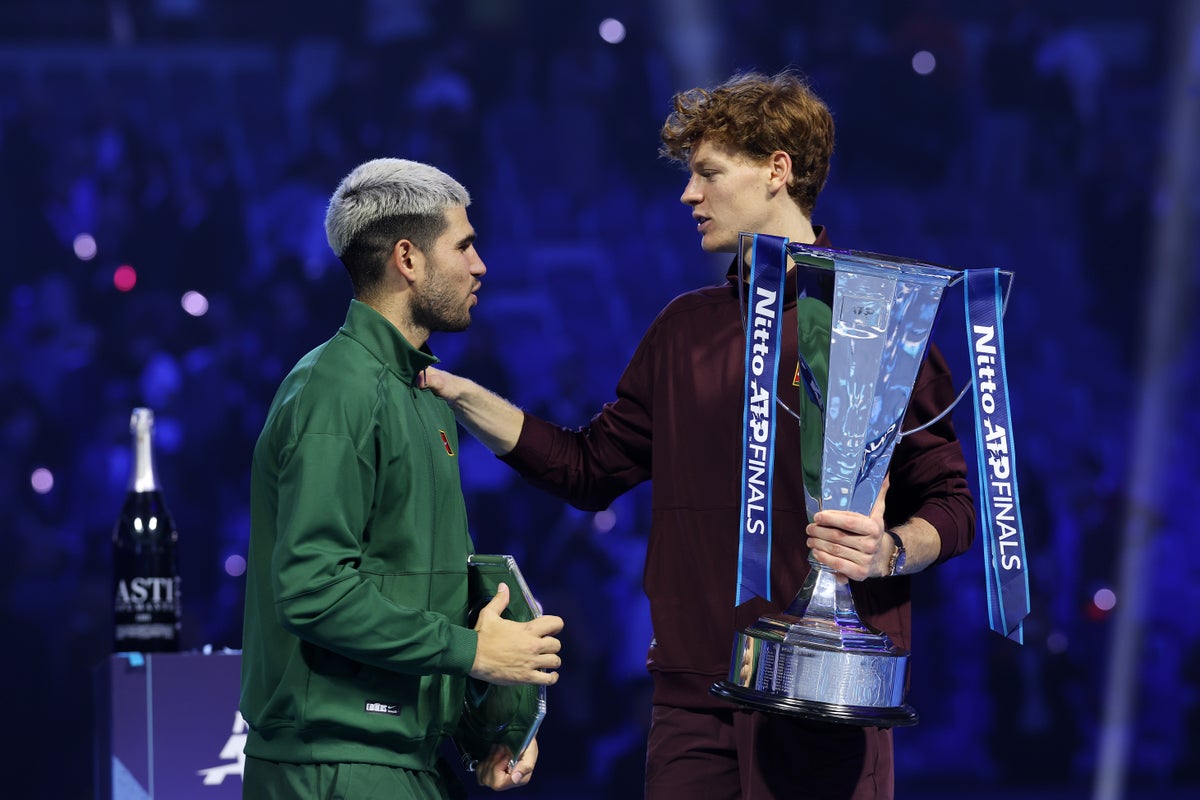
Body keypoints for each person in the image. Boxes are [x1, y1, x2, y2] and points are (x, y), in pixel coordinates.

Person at [421, 71, 975, 799]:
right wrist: (459, 393)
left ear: (777, 170)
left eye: (709, 174)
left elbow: (954, 502)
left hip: (825, 697)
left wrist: (892, 550)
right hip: (693, 700)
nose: (689, 195)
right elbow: (589, 469)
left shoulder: (870, 319)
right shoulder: (683, 330)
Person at [239, 157, 564, 799]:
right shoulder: (335, 389)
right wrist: (473, 654)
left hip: (399, 761)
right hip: (331, 766)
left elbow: (414, 588)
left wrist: (482, 733)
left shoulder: (419, 392)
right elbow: (311, 588)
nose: (481, 266)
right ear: (408, 260)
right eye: (465, 245)